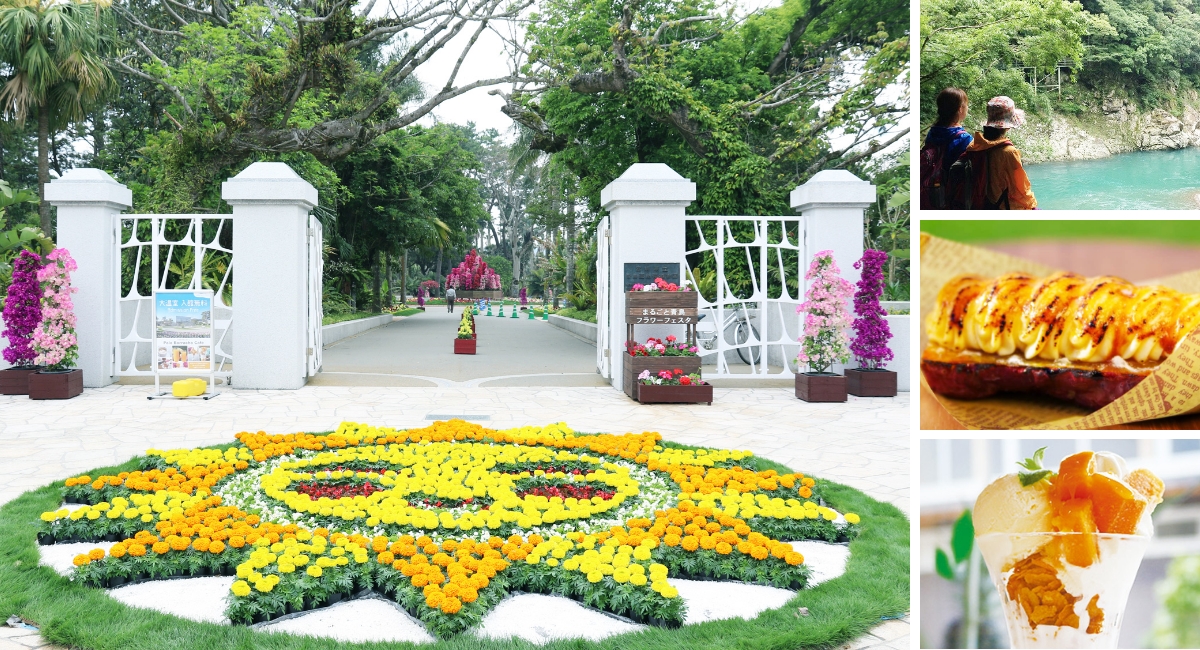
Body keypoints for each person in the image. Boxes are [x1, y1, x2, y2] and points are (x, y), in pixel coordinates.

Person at [961, 96, 1037, 210]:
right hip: (1004, 208)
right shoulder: (1009, 153)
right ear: (1007, 127)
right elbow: (1021, 190)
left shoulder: (975, 146)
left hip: (982, 206)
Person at [920, 87, 973, 210]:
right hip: (953, 197)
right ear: (960, 109)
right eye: (966, 105)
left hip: (931, 192)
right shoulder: (964, 138)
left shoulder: (932, 132)